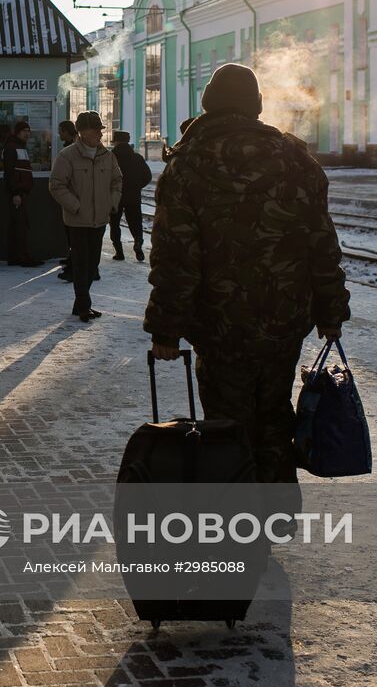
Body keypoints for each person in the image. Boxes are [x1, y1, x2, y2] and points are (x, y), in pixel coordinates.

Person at [145, 63, 349, 486]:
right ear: (257, 105)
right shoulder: (296, 158)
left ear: (208, 105)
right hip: (285, 319)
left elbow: (176, 255)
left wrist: (166, 328)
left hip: (220, 323)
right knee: (274, 411)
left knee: (226, 422)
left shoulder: (187, 164)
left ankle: (235, 521)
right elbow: (322, 245)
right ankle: (275, 511)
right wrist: (331, 312)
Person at [49, 111, 122, 322]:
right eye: (97, 130)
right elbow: (56, 185)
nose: (100, 134)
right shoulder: (67, 156)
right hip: (78, 220)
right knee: (81, 264)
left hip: (100, 219)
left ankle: (80, 303)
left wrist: (111, 203)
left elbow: (117, 181)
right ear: (84, 132)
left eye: (101, 130)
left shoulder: (107, 155)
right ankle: (83, 306)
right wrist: (76, 206)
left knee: (93, 264)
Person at [2, 120, 41, 266]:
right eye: (25, 131)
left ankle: (14, 257)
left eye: (29, 131)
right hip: (18, 194)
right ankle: (23, 257)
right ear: (18, 132)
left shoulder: (20, 147)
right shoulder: (12, 148)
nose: (27, 134)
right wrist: (15, 193)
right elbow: (10, 172)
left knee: (16, 226)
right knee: (21, 226)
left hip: (20, 192)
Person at [109, 130, 152, 262]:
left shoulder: (110, 157)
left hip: (116, 196)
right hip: (133, 196)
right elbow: (148, 176)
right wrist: (137, 186)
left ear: (115, 141)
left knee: (114, 224)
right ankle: (138, 242)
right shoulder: (137, 157)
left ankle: (119, 252)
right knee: (135, 222)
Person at [56, 119, 79, 273]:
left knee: (75, 236)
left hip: (75, 198)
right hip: (72, 197)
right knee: (72, 235)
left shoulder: (73, 149)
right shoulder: (70, 147)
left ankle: (75, 267)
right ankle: (72, 261)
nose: (59, 134)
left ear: (67, 131)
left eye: (61, 131)